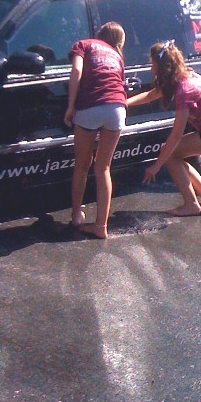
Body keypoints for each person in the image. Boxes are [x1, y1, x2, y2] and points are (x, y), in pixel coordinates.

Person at [127, 40, 201, 216]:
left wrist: (156, 166)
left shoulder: (184, 90)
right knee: (176, 154)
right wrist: (126, 103)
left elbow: (176, 134)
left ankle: (191, 204)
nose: (151, 68)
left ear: (162, 67)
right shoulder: (184, 75)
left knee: (171, 154)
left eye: (153, 64)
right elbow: (153, 94)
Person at [64, 22, 127, 239]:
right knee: (103, 168)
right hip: (117, 108)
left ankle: (76, 215)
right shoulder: (117, 56)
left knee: (82, 167)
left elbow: (76, 71)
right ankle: (101, 226)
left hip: (91, 105)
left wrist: (71, 105)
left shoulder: (83, 44)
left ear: (98, 35)